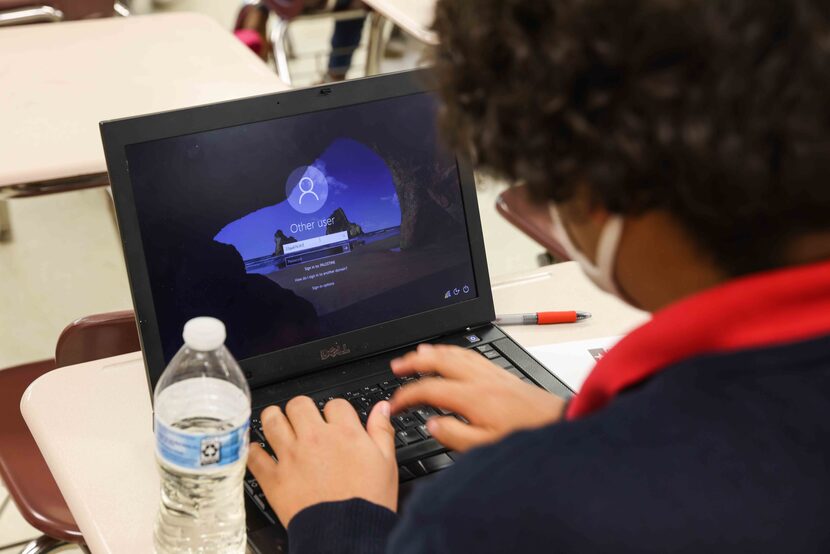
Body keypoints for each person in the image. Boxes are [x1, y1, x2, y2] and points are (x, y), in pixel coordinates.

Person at [247, 0, 830, 551]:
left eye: (548, 175)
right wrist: (577, 425)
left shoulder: (494, 516)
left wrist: (339, 522)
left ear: (603, 181)